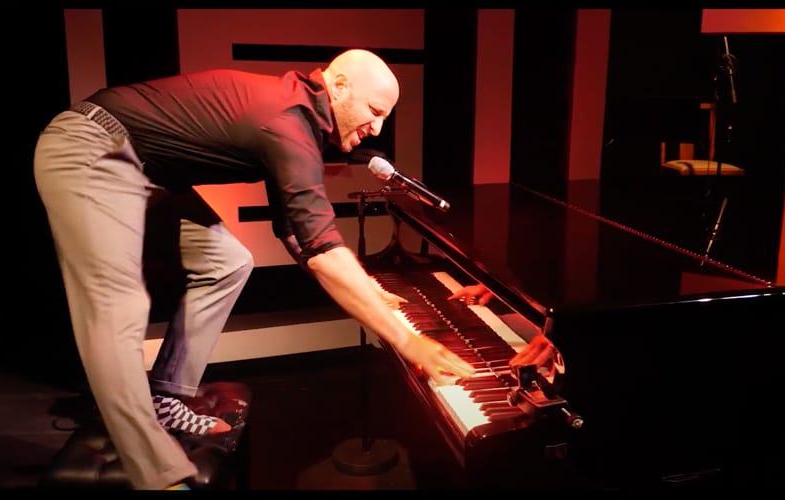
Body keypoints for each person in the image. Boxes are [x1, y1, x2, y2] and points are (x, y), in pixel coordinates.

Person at [33, 48, 476, 490]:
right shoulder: (288, 122)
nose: (377, 128)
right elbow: (322, 250)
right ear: (338, 86)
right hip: (93, 147)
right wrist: (407, 341)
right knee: (117, 305)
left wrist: (367, 289)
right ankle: (158, 476)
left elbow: (297, 234)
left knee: (227, 261)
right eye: (375, 112)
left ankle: (166, 398)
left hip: (147, 171)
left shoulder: (300, 121)